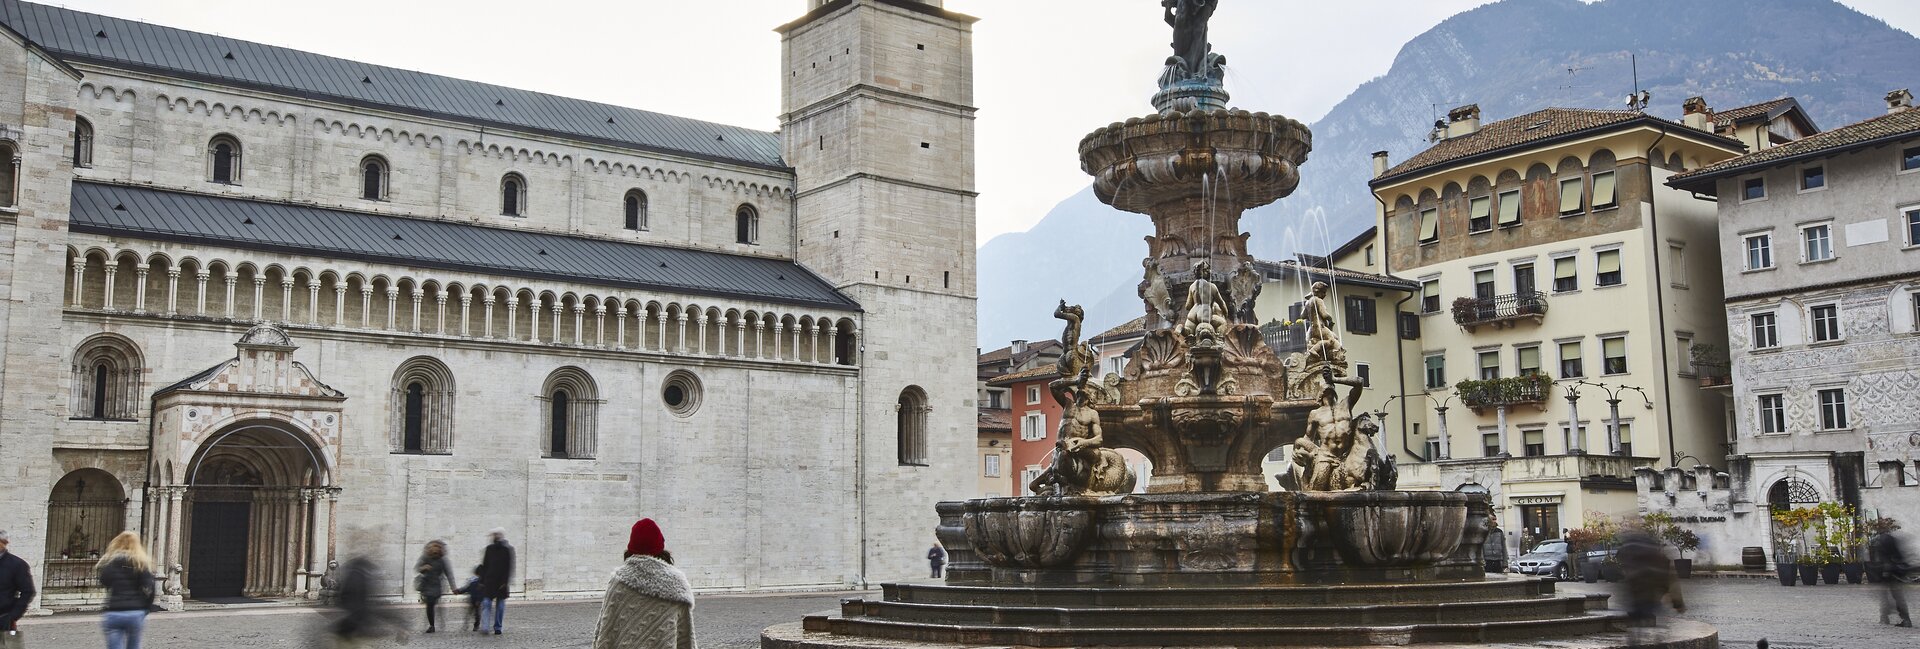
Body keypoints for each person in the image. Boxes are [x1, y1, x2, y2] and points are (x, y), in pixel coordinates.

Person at [591, 519, 694, 649]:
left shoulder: (618, 582)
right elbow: (685, 641)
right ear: (661, 549)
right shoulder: (678, 587)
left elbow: (605, 634)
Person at [1615, 529, 1684, 647]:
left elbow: (1623, 579)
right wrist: (1678, 603)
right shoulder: (1658, 558)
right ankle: (1658, 643)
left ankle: (1635, 643)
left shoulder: (1630, 559)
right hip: (1652, 599)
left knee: (1635, 631)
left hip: (1634, 600)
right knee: (1658, 630)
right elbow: (1671, 581)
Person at [95, 531, 157, 649]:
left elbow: (104, 581)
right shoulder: (140, 564)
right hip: (135, 612)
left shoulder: (111, 563)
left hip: (114, 611)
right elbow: (151, 588)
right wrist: (146, 608)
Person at [327, 555, 404, 648]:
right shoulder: (358, 580)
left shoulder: (355, 578)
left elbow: (361, 606)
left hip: (348, 631)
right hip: (351, 633)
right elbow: (363, 608)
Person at [0, 530, 38, 649]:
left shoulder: (17, 565)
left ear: (4, 543)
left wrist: (13, 615)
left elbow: (28, 591)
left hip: (3, 619)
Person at [1870, 527, 1912, 627]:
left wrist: (1883, 570)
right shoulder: (1891, 539)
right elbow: (1899, 555)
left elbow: (1882, 558)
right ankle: (1900, 618)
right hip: (1894, 571)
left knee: (1888, 595)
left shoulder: (1881, 541)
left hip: (1889, 572)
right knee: (1895, 596)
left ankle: (1886, 617)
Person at [414, 540, 456, 633]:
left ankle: (435, 622)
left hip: (437, 585)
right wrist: (424, 567)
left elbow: (449, 573)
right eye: (434, 552)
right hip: (427, 584)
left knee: (432, 604)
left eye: (437, 552)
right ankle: (432, 625)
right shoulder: (425, 557)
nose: (435, 553)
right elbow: (417, 568)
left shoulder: (443, 560)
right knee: (430, 605)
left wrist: (453, 587)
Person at [479, 528, 515, 635]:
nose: (495, 536)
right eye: (494, 535)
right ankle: (485, 627)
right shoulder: (489, 549)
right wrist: (482, 580)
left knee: (500, 606)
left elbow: (509, 567)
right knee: (486, 603)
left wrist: (505, 582)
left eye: (497, 534)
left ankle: (498, 627)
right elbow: (484, 565)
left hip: (501, 583)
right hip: (489, 581)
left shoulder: (507, 549)